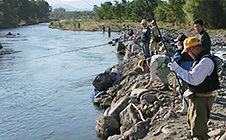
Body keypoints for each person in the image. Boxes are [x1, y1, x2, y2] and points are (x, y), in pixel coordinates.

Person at [168, 37, 220, 140]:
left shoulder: (205, 61)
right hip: (197, 98)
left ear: (193, 49)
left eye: (187, 51)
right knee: (192, 124)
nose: (188, 54)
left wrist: (176, 68)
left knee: (199, 131)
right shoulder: (201, 60)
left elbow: (194, 79)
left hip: (202, 99)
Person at [172, 34, 194, 114]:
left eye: (178, 42)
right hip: (192, 75)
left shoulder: (179, 52)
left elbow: (174, 60)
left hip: (182, 75)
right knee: (190, 91)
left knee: (183, 91)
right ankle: (191, 106)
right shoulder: (191, 51)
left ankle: (186, 108)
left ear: (180, 43)